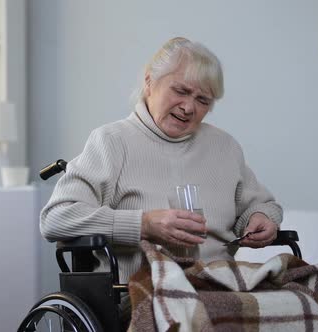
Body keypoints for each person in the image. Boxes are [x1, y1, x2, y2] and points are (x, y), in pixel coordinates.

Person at [40, 36, 281, 286]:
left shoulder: (224, 147)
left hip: (220, 285)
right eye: (181, 91)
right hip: (141, 291)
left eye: (203, 100)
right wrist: (142, 224)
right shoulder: (112, 141)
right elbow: (56, 218)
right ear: (149, 82)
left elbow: (263, 206)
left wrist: (261, 218)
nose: (188, 107)